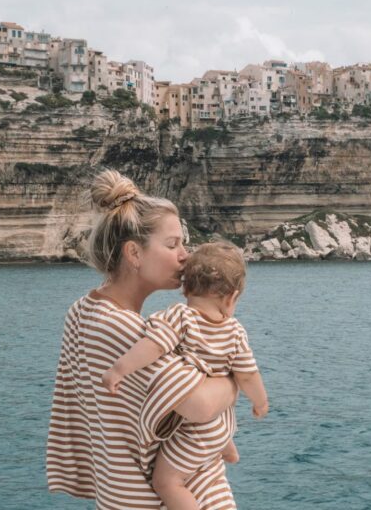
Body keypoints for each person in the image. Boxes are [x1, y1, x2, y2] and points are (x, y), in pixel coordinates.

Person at [46, 169, 239, 509]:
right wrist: (237, 378)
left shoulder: (82, 311)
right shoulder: (124, 331)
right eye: (172, 244)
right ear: (134, 254)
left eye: (185, 244)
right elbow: (199, 404)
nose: (185, 256)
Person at [102, 242, 269, 510]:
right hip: (221, 424)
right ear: (231, 298)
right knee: (219, 389)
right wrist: (260, 403)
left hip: (194, 432)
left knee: (166, 482)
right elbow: (248, 375)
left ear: (186, 288)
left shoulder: (180, 317)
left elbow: (154, 346)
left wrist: (119, 369)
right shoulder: (236, 332)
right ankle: (226, 446)